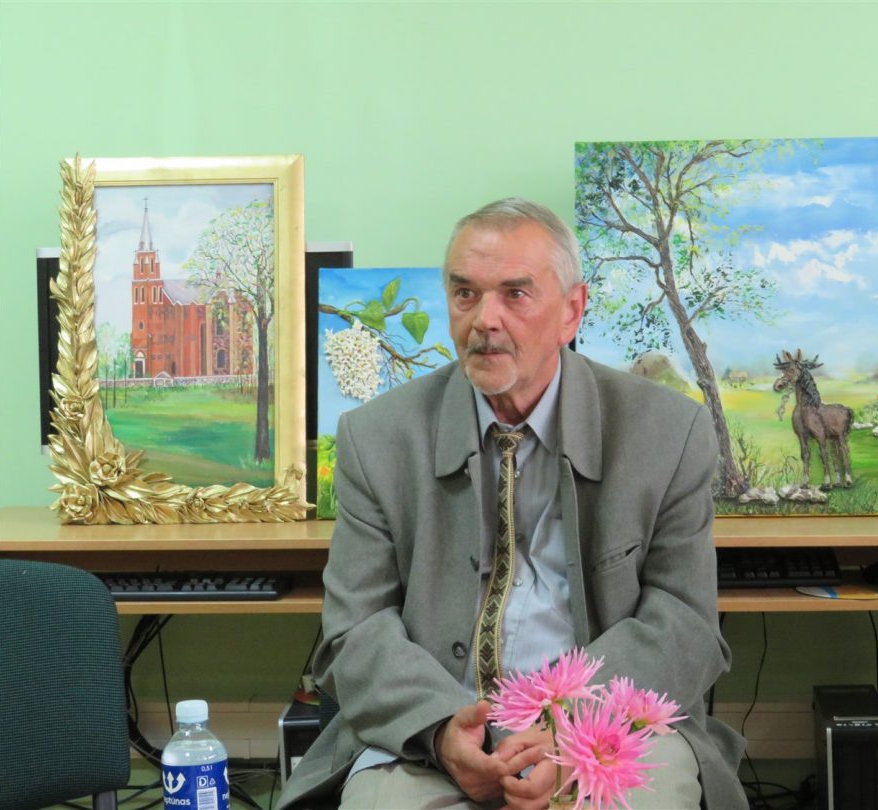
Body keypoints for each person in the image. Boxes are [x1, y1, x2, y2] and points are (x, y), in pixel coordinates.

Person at [278, 199, 747, 810]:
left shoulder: (667, 431)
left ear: (572, 310)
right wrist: (441, 731)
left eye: (515, 294)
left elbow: (684, 622)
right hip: (428, 734)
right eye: (465, 294)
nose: (484, 320)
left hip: (612, 726)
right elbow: (355, 629)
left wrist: (569, 731)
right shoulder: (377, 438)